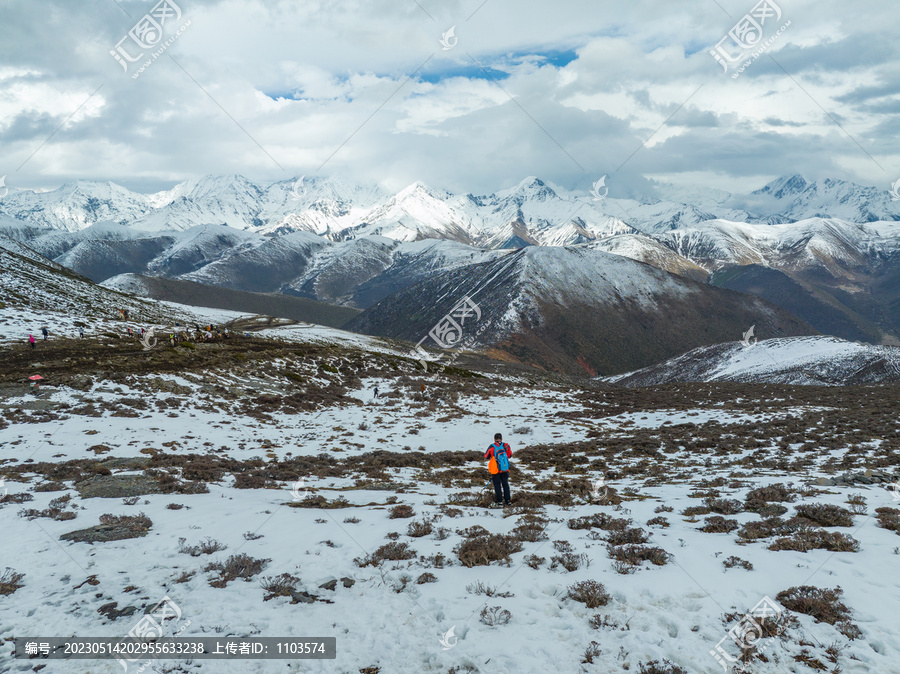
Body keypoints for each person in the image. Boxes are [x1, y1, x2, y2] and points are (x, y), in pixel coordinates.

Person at [484, 433, 513, 507]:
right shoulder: (505, 445)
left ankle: (499, 501)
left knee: (497, 485)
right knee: (505, 484)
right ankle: (508, 500)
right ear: (501, 439)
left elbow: (486, 456)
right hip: (505, 469)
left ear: (494, 439)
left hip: (496, 470)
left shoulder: (492, 446)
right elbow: (510, 455)